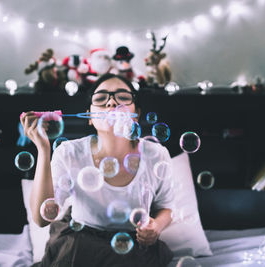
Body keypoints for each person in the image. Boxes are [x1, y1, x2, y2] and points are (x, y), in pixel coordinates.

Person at [20, 73, 174, 267]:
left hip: (134, 246)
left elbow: (165, 207)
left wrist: (156, 227)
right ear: (90, 117)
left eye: (123, 98)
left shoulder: (156, 154)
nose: (111, 104)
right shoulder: (68, 153)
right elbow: (42, 219)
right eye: (101, 99)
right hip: (80, 243)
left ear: (137, 113)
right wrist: (43, 149)